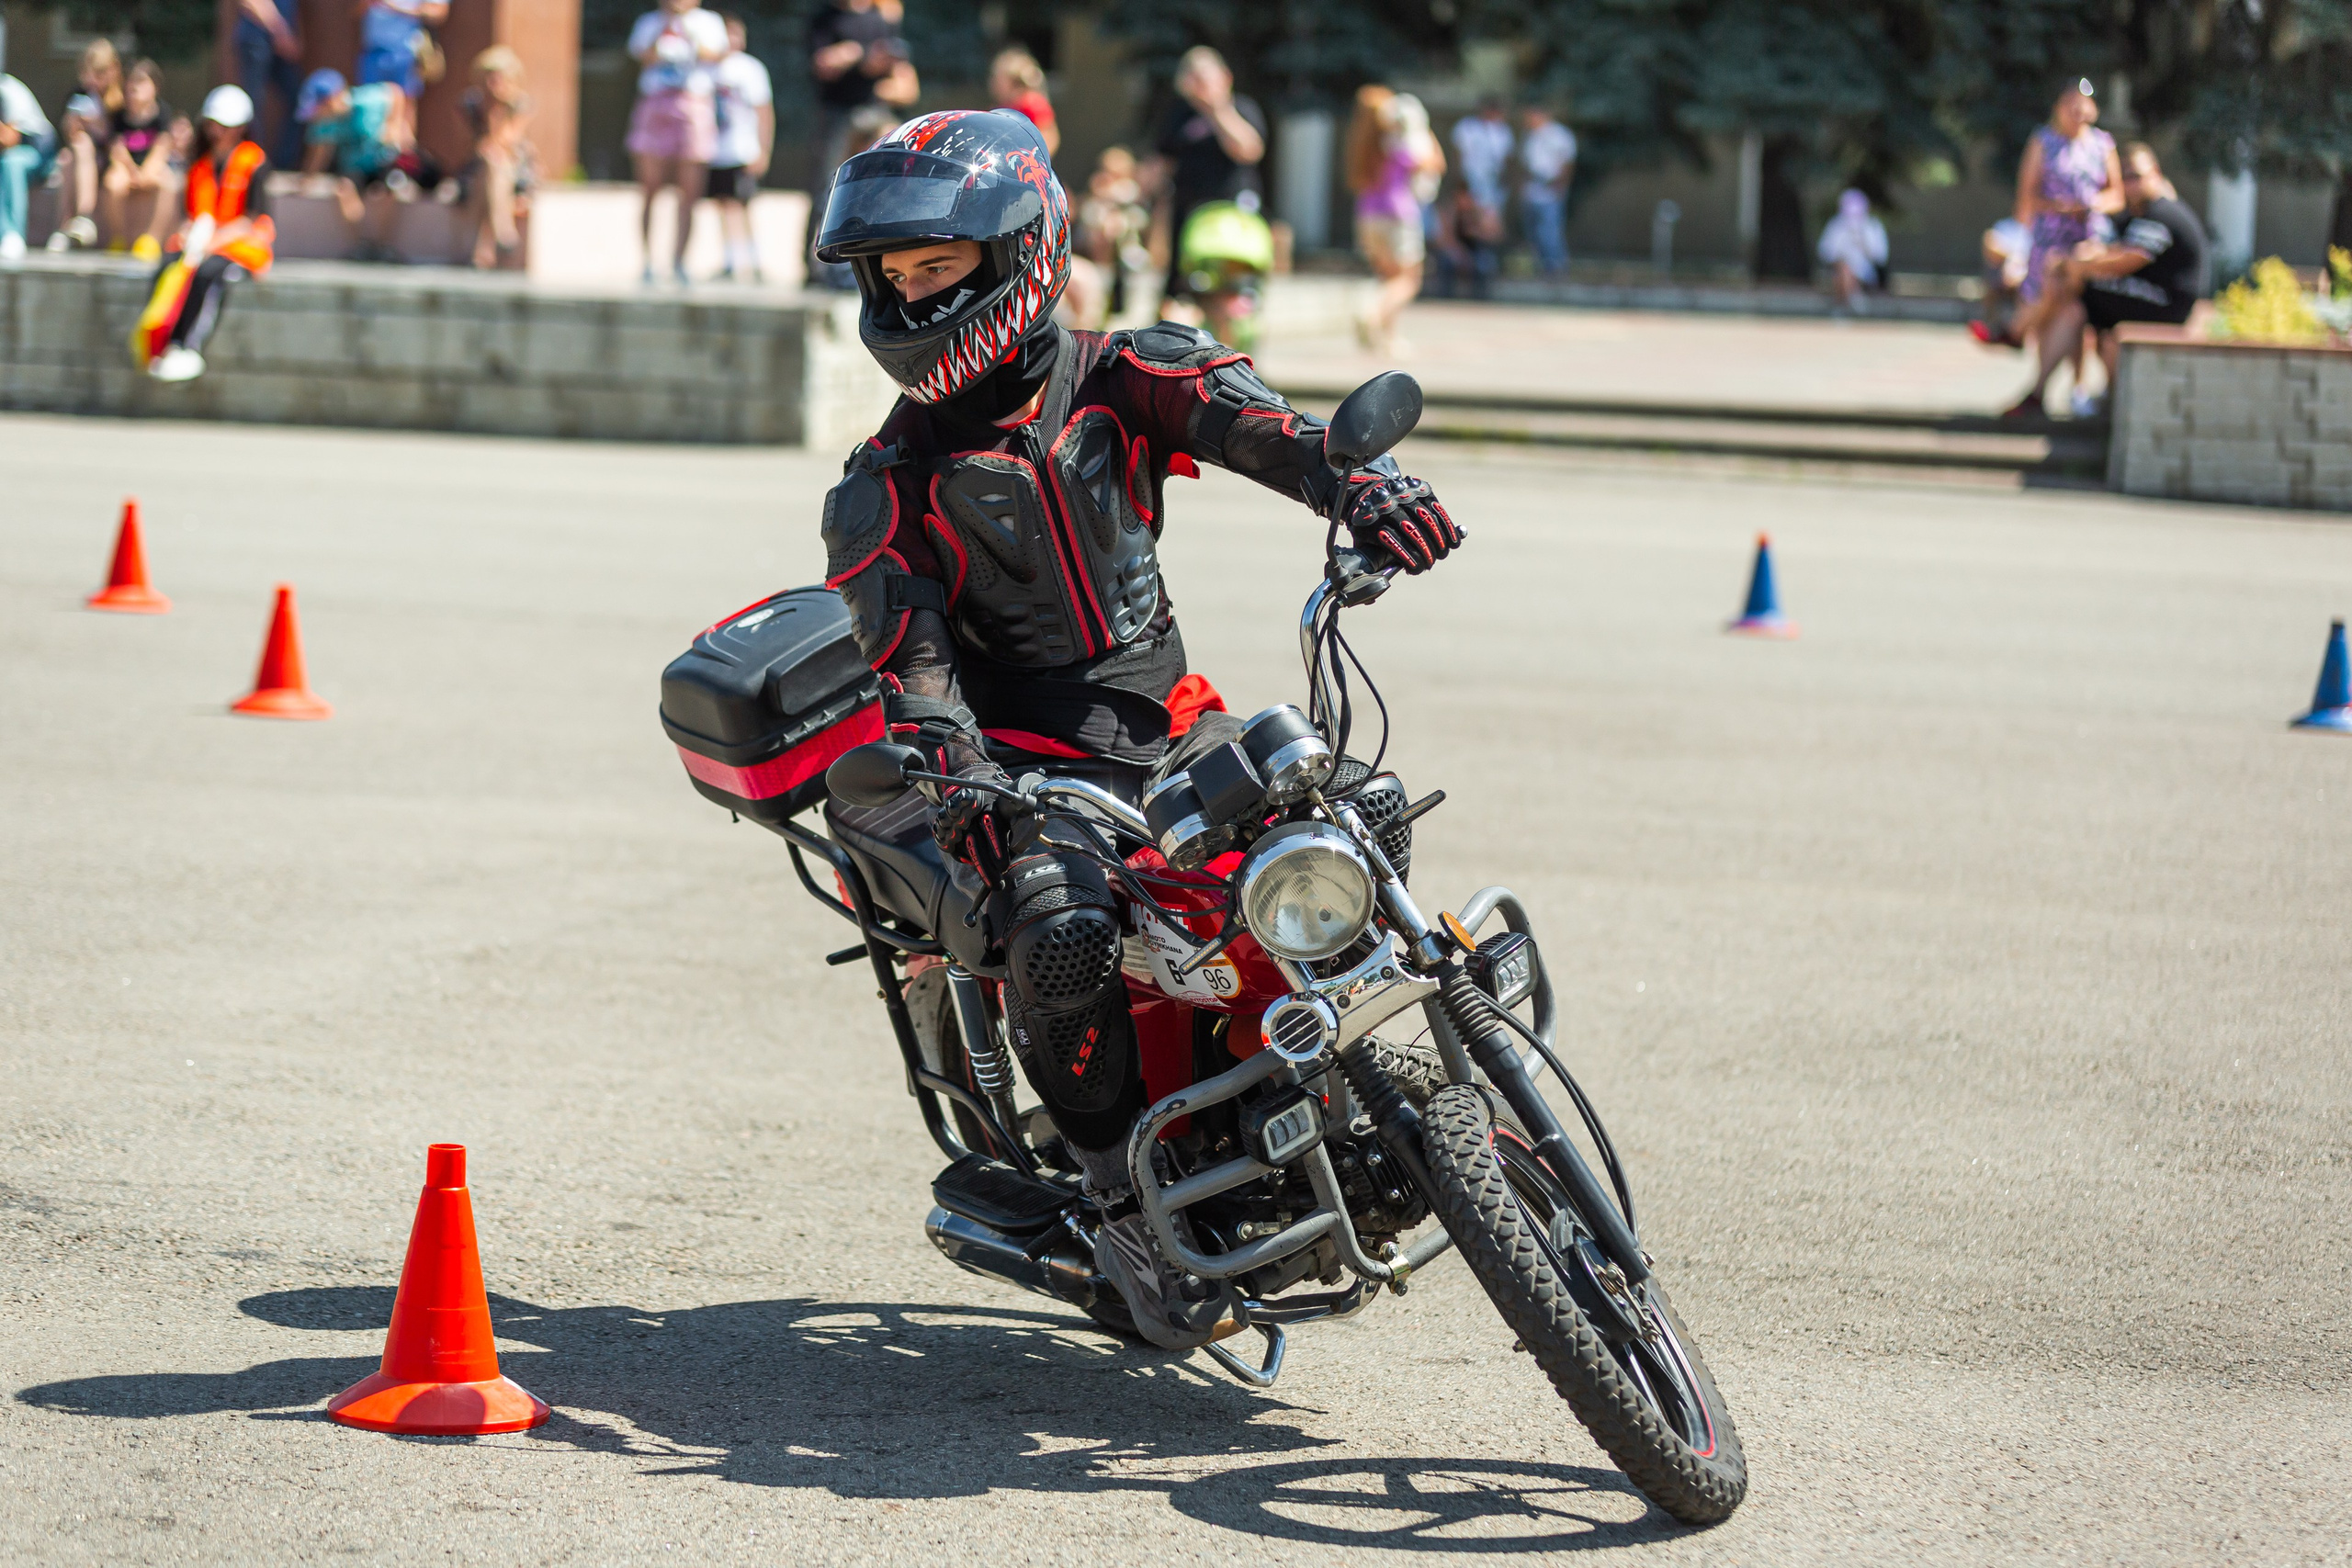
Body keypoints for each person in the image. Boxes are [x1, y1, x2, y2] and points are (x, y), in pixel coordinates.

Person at [810, 108, 1461, 1349]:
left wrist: (1363, 485)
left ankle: (1339, 1074)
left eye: (934, 268)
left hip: (1174, 723)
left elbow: (1278, 436)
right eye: (891, 276)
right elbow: (913, 663)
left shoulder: (1127, 372)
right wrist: (950, 765)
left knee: (1361, 811)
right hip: (1033, 775)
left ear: (1021, 252)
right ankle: (1120, 1202)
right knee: (1058, 928)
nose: (908, 295)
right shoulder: (883, 487)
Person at [2006, 144, 2209, 419]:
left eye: (2137, 176)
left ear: (2156, 173)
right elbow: (2107, 250)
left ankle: (2020, 332)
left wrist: (2071, 265)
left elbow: (2123, 262)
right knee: (2074, 305)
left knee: (2077, 287)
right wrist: (2077, 260)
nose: (2130, 184)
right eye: (2124, 178)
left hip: (2166, 306)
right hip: (2144, 298)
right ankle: (2041, 387)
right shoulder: (2137, 214)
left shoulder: (2162, 213)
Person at [1983, 77, 2120, 400]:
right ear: (2059, 108)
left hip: (2087, 238)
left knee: (2070, 305)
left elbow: (2115, 194)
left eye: (2083, 106)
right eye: (2071, 105)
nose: (2077, 112)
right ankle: (2060, 386)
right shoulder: (2043, 141)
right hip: (2051, 238)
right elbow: (2026, 199)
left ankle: (2019, 335)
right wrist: (2057, 209)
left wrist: (2092, 205)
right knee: (2060, 306)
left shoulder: (2102, 144)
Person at [141, 85, 276, 383]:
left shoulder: (254, 162)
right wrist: (191, 234)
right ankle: (160, 344)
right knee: (168, 265)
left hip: (240, 249)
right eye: (215, 124)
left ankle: (188, 346)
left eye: (227, 126)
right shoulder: (199, 165)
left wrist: (213, 242)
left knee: (206, 275)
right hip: (203, 243)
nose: (219, 132)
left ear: (241, 127)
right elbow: (189, 214)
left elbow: (252, 219)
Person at [1148, 47, 1264, 319]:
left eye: (1206, 78)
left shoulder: (1242, 108)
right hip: (1188, 215)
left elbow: (1248, 149)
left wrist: (1216, 110)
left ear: (1225, 77)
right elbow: (1161, 162)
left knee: (1231, 291)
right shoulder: (1180, 115)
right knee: (1181, 292)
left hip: (1232, 216)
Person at [806, 0, 918, 279]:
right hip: (839, 114)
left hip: (876, 113)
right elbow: (822, 65)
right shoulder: (825, 18)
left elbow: (903, 78)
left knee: (884, 188)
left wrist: (874, 66)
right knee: (829, 187)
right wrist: (854, 55)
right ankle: (814, 265)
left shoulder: (881, 19)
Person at [629, 0, 729, 285]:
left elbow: (716, 55)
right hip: (655, 105)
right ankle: (648, 261)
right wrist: (666, 28)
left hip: (694, 104)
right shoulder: (649, 22)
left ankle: (679, 261)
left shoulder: (709, 22)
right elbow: (643, 55)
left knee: (690, 192)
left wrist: (686, 31)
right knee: (649, 187)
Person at [1347, 85, 1442, 355]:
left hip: (1367, 216)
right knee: (1408, 281)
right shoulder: (1396, 144)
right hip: (1397, 216)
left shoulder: (1362, 144)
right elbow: (1434, 163)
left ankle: (1387, 337)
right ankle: (1371, 310)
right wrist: (1422, 128)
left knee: (1388, 277)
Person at [300, 68, 427, 261]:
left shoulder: (366, 100)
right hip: (355, 170)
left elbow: (395, 92)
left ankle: (382, 245)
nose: (317, 114)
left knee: (390, 189)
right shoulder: (325, 124)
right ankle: (362, 244)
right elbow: (319, 153)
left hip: (381, 163)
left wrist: (394, 123)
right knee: (344, 189)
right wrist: (307, 178)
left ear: (332, 99)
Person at [704, 15, 773, 282]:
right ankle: (730, 260)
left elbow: (763, 112)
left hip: (742, 149)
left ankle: (753, 261)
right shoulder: (708, 67)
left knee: (742, 205)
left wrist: (763, 148)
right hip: (714, 149)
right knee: (722, 204)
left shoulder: (750, 69)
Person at [461, 47, 535, 270]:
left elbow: (507, 140)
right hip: (479, 167)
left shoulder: (519, 104)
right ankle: (503, 232)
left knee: (494, 167)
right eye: (489, 77)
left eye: (499, 77)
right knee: (491, 168)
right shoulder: (469, 104)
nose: (494, 83)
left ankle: (481, 252)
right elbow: (468, 146)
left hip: (514, 169)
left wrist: (498, 111)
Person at [48, 40, 123, 252]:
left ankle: (82, 217)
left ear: (113, 70)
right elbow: (69, 136)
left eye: (99, 74)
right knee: (71, 155)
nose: (93, 80)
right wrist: (72, 124)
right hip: (84, 158)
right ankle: (68, 227)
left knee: (77, 152)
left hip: (110, 161)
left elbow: (119, 141)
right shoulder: (79, 95)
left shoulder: (120, 101)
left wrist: (99, 127)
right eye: (88, 73)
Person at [102, 60, 180, 262]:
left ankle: (152, 238)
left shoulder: (163, 113)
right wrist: (131, 171)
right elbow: (116, 148)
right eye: (131, 84)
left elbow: (162, 146)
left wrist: (146, 172)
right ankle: (119, 238)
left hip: (151, 166)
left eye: (142, 83)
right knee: (113, 184)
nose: (135, 89)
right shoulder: (119, 115)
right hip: (125, 166)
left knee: (169, 184)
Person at [233, 0, 306, 168]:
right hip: (256, 39)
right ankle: (251, 160)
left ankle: (283, 162)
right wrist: (281, 34)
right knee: (253, 103)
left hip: (280, 44)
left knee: (298, 99)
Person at [0, 72, 57, 264]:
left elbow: (10, 139)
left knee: (10, 162)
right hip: (11, 152)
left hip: (38, 153)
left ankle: (12, 235)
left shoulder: (7, 90)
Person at [1518, 104, 1576, 276]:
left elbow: (1567, 163)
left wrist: (1560, 185)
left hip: (1551, 192)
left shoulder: (1560, 135)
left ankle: (1557, 267)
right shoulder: (1529, 136)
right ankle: (1542, 267)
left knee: (1549, 232)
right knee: (1533, 233)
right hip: (1531, 192)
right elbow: (1525, 164)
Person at [356, 0, 449, 104]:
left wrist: (393, 7)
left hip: (406, 52)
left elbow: (437, 12)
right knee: (370, 104)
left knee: (405, 105)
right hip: (374, 51)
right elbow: (356, 11)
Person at [1817, 187, 1889, 311]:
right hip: (1840, 271)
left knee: (1847, 271)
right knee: (1844, 269)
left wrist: (1863, 241)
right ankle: (1850, 302)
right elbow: (1826, 252)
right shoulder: (1836, 225)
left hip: (1866, 272)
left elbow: (1880, 256)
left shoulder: (1872, 226)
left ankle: (1849, 303)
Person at [1450, 96, 1511, 224]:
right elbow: (1457, 154)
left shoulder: (1503, 130)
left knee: (1491, 217)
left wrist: (1504, 178)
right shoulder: (1467, 126)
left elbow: (1506, 158)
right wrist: (1460, 179)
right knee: (1470, 217)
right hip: (1470, 179)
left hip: (1493, 181)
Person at [989, 46, 1057, 157]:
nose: (993, 82)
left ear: (1013, 80)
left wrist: (1031, 161)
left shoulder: (1032, 102)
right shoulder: (1003, 106)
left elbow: (1049, 138)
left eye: (998, 77)